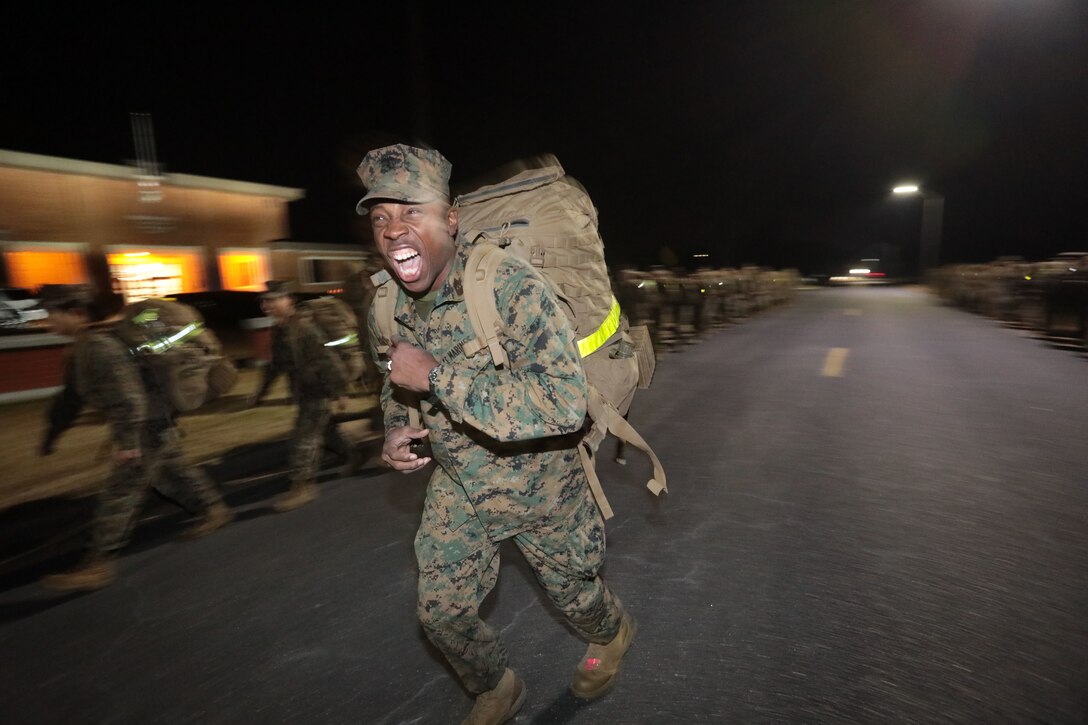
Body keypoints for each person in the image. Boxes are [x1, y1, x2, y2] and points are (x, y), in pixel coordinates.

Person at [358, 144, 636, 724]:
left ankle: (612, 634)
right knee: (440, 614)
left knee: (577, 597)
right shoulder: (386, 302)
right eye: (381, 217)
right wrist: (395, 431)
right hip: (461, 486)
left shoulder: (510, 287)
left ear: (450, 219)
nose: (394, 231)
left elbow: (562, 405)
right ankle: (497, 686)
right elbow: (395, 380)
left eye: (412, 212)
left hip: (544, 484)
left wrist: (436, 377)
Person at [37, 285, 233, 592]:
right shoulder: (84, 346)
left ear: (76, 313)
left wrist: (128, 443)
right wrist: (53, 431)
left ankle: (97, 563)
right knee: (170, 474)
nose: (48, 322)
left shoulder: (98, 347)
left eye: (52, 314)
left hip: (144, 424)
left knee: (121, 490)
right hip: (151, 421)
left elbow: (128, 400)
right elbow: (70, 397)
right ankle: (214, 510)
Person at [251, 280, 359, 511]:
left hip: (318, 389)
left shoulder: (303, 327)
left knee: (303, 438)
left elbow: (326, 361)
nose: (267, 305)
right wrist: (260, 392)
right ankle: (358, 453)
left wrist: (340, 392)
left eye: (273, 300)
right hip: (304, 390)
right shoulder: (281, 328)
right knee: (327, 432)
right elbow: (277, 365)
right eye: (264, 301)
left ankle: (303, 487)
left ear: (288, 300)